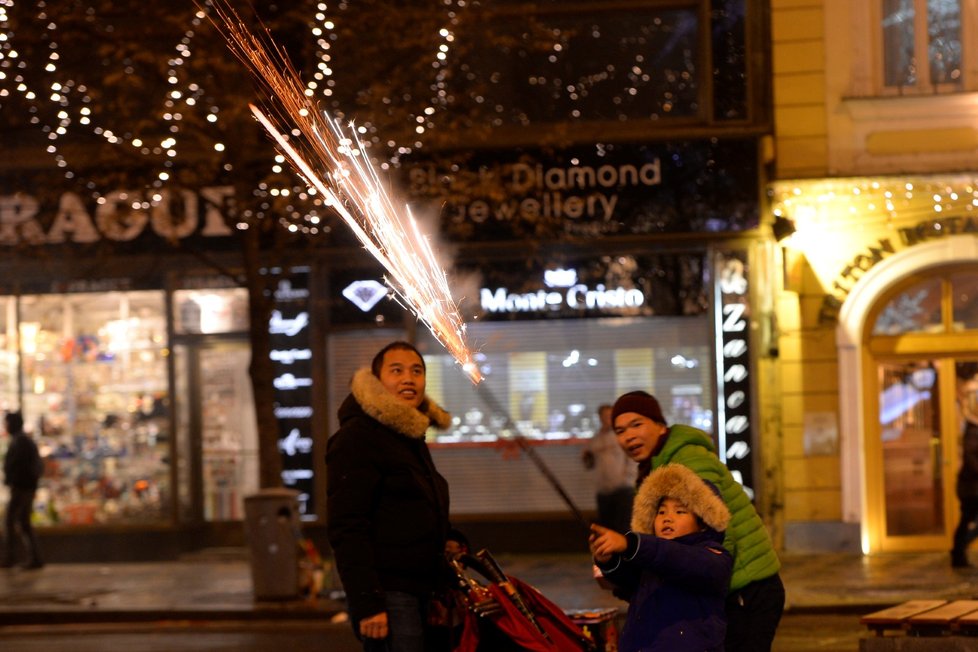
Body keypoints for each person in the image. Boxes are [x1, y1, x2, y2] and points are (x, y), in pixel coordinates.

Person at [610, 390, 783, 652]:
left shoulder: (686, 463)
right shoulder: (659, 464)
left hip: (746, 591)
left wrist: (710, 591)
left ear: (659, 425)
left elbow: (720, 530)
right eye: (620, 430)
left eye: (637, 424)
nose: (629, 435)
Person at [326, 341, 452, 652]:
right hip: (389, 594)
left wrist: (441, 579)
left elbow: (413, 511)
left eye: (417, 371)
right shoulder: (359, 438)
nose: (409, 379)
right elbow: (348, 526)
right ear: (377, 380)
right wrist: (367, 602)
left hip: (420, 592)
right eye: (396, 371)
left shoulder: (407, 435)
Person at [589, 463, 732, 651]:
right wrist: (609, 560)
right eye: (661, 511)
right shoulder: (652, 561)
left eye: (680, 511)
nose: (667, 518)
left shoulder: (712, 556)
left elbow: (678, 558)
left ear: (703, 523)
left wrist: (631, 544)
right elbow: (629, 578)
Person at [582, 404, 635, 534]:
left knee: (623, 528)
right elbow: (589, 464)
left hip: (623, 489)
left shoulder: (622, 436)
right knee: (606, 529)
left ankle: (625, 554)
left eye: (609, 416)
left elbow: (632, 459)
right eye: (604, 416)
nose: (607, 419)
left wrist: (627, 479)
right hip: (603, 491)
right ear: (599, 417)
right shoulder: (595, 440)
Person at [2, 411, 44, 570]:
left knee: (12, 521)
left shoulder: (21, 442)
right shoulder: (21, 441)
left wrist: (15, 481)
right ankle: (33, 558)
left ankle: (11, 557)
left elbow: (19, 467)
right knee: (22, 522)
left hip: (21, 488)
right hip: (24, 487)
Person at [951, 363, 978, 568]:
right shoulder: (972, 430)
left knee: (966, 519)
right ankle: (958, 551)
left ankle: (958, 552)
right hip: (971, 487)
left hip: (971, 486)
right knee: (967, 519)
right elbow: (971, 457)